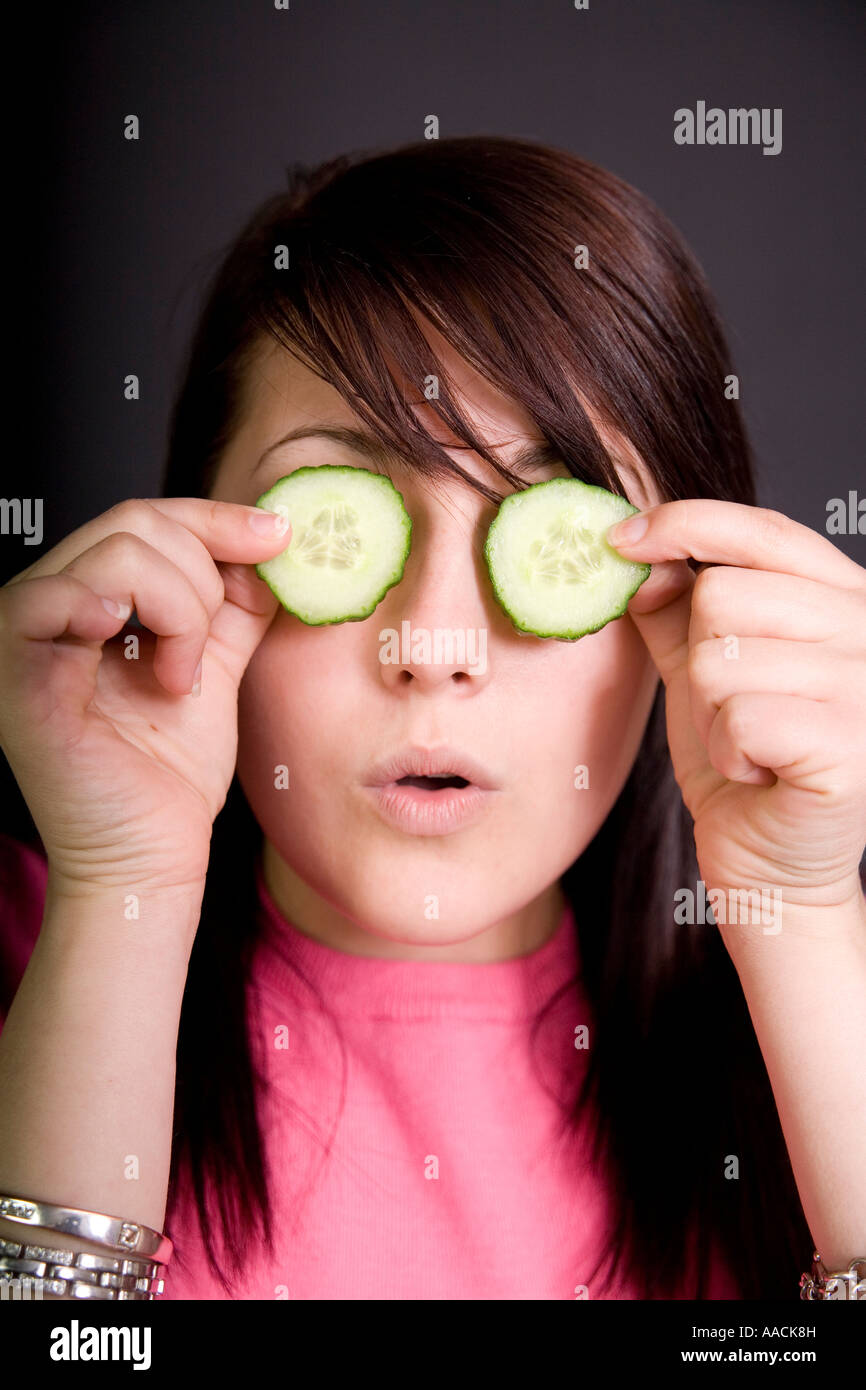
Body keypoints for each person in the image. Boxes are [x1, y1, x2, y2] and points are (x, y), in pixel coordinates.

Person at [1, 136, 864, 1302]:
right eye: (334, 526)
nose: (435, 648)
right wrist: (122, 894)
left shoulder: (808, 1024)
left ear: (693, 592)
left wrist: (802, 917)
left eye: (553, 523)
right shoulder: (30, 951)